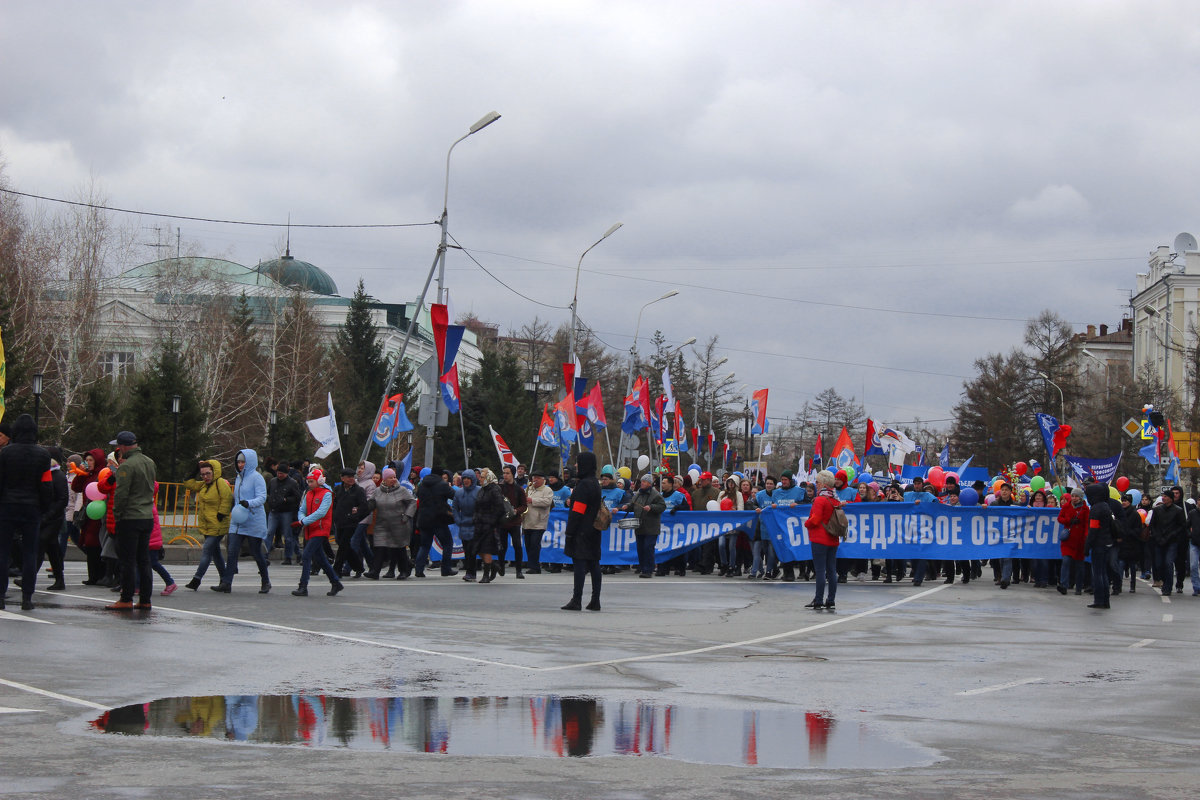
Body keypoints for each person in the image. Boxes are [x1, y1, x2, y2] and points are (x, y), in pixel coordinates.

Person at [0, 414, 52, 610]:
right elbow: (46, 486)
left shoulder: (5, 453)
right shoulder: (43, 455)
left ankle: (0, 596)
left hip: (7, 505)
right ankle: (27, 598)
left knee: (3, 552)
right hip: (32, 507)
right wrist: (44, 508)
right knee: (30, 553)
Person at [106, 431, 157, 611]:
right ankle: (145, 599)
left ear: (123, 446)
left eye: (118, 447)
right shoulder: (149, 462)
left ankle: (126, 598)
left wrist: (117, 515)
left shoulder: (126, 466)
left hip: (130, 517)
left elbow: (121, 495)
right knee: (144, 560)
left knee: (127, 560)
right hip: (146, 516)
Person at [215, 449, 270, 594]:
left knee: (256, 552)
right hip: (238, 520)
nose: (240, 464)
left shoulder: (257, 477)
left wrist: (249, 503)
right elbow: (237, 497)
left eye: (243, 462)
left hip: (253, 520)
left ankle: (266, 581)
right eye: (238, 462)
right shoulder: (238, 477)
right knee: (232, 551)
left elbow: (262, 497)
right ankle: (226, 582)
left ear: (250, 462)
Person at [182, 459, 234, 591]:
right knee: (216, 554)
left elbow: (227, 498)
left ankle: (196, 579)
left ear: (214, 472)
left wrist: (221, 513)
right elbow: (188, 483)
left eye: (208, 473)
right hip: (207, 525)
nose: (205, 477)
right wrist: (195, 468)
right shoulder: (204, 485)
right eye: (203, 474)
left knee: (207, 551)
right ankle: (225, 581)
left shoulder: (220, 483)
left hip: (218, 525)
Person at [291, 468, 344, 597]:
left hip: (321, 529)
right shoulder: (308, 494)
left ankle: (303, 586)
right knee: (321, 559)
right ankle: (335, 582)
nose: (309, 484)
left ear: (319, 481)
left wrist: (304, 521)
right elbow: (301, 509)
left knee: (306, 555)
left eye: (311, 481)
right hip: (310, 529)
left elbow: (321, 512)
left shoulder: (327, 494)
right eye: (308, 481)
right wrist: (302, 519)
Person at [561, 452, 602, 610]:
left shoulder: (583, 485)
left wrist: (570, 532)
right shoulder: (595, 483)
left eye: (578, 463)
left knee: (579, 564)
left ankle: (576, 599)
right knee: (594, 564)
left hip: (581, 531)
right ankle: (595, 600)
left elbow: (578, 511)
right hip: (594, 529)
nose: (576, 466)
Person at [364, 468, 415, 580]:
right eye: (390, 477)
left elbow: (412, 502)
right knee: (379, 547)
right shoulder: (378, 491)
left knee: (399, 548)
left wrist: (407, 516)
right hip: (382, 524)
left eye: (394, 477)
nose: (393, 479)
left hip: (399, 524)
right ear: (385, 479)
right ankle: (375, 571)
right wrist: (362, 508)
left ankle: (403, 570)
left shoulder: (402, 490)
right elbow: (371, 504)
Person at [804, 470, 841, 610]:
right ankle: (831, 599)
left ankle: (818, 599)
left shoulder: (820, 499)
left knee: (820, 570)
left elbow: (816, 519)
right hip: (833, 538)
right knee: (831, 570)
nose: (816, 485)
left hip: (819, 538)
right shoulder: (835, 498)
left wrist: (807, 523)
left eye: (818, 482)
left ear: (824, 483)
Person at [414, 467, 457, 577]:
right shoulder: (442, 485)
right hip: (439, 519)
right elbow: (454, 496)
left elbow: (418, 495)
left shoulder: (422, 484)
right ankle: (446, 569)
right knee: (447, 543)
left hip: (424, 519)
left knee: (424, 545)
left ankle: (418, 570)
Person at [624, 473, 666, 578]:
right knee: (640, 548)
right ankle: (643, 568)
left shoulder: (655, 494)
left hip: (651, 527)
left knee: (648, 547)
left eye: (644, 481)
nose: (642, 483)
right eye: (642, 481)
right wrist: (627, 506)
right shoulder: (638, 493)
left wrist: (651, 507)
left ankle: (648, 569)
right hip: (640, 526)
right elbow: (633, 504)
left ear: (649, 483)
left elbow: (662, 506)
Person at [331, 468, 368, 579]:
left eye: (353, 476)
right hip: (339, 522)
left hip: (351, 523)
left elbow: (364, 507)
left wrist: (356, 515)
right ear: (342, 478)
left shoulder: (359, 490)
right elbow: (334, 504)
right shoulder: (337, 489)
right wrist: (334, 516)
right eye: (348, 477)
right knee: (343, 543)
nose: (351, 479)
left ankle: (336, 569)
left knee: (343, 545)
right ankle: (358, 566)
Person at [1083, 482, 1115, 609]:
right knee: (1103, 573)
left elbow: (1093, 529)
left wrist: (1087, 546)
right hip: (1106, 542)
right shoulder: (1106, 506)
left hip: (1098, 544)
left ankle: (1099, 599)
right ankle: (1105, 599)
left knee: (1097, 573)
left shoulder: (1096, 509)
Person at [472, 467, 507, 584]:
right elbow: (477, 505)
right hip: (480, 524)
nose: (480, 479)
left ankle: (486, 575)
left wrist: (492, 521)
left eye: (482, 477)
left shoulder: (494, 490)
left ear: (488, 478)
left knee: (486, 549)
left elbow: (500, 508)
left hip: (490, 525)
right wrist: (475, 517)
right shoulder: (482, 490)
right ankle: (494, 565)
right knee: (477, 549)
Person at [1150, 489, 1187, 596]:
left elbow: (1181, 526)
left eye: (1165, 496)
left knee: (1168, 563)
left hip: (1171, 542)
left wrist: (1171, 535)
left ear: (1170, 498)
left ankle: (1168, 587)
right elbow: (1153, 525)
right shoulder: (1157, 510)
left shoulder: (1178, 510)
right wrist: (1157, 536)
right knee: (1159, 564)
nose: (1163, 498)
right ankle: (1163, 580)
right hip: (1158, 541)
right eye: (1163, 496)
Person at [266, 461, 301, 565]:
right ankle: (265, 554)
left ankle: (288, 556)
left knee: (287, 535)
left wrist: (286, 500)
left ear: (286, 473)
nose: (279, 475)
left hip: (286, 511)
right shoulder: (273, 481)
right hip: (274, 510)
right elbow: (268, 493)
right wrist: (270, 500)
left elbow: (297, 497)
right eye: (278, 473)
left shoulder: (292, 483)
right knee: (269, 532)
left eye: (282, 473)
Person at [1056, 489, 1088, 595]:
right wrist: (1069, 521)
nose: (1074, 498)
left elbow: (1087, 525)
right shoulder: (1066, 507)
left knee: (1079, 566)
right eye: (1073, 496)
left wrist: (1086, 538)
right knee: (1065, 561)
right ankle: (1063, 585)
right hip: (1068, 540)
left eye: (1076, 496)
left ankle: (1078, 587)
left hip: (1079, 542)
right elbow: (1060, 518)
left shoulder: (1085, 509)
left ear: (1080, 497)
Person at [498, 464, 528, 578]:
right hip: (503, 521)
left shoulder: (519, 489)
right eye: (504, 473)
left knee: (517, 546)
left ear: (512, 474)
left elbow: (524, 506)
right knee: (502, 546)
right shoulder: (499, 487)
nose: (505, 475)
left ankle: (518, 570)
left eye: (507, 473)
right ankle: (501, 567)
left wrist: (516, 511)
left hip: (515, 522)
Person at [523, 471, 553, 574]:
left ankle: (534, 566)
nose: (534, 480)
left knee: (534, 544)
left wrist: (532, 500)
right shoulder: (529, 489)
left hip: (539, 522)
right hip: (527, 521)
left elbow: (547, 502)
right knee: (528, 544)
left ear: (542, 479)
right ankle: (531, 564)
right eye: (533, 478)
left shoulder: (547, 490)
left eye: (537, 478)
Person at [453, 469, 480, 581]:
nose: (466, 481)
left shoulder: (479, 491)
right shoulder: (459, 493)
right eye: (464, 479)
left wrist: (478, 520)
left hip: (475, 525)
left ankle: (472, 572)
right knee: (467, 550)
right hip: (464, 524)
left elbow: (483, 507)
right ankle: (469, 572)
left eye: (468, 479)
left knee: (473, 550)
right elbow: (455, 508)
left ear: (473, 479)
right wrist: (458, 520)